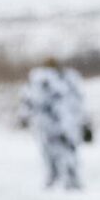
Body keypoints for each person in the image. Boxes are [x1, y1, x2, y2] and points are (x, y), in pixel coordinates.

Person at [19, 59, 88, 189]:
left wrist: (24, 117)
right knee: (67, 151)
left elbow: (30, 101)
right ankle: (68, 178)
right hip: (67, 123)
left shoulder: (40, 81)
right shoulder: (68, 80)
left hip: (49, 124)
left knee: (51, 153)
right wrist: (82, 120)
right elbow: (79, 101)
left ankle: (57, 177)